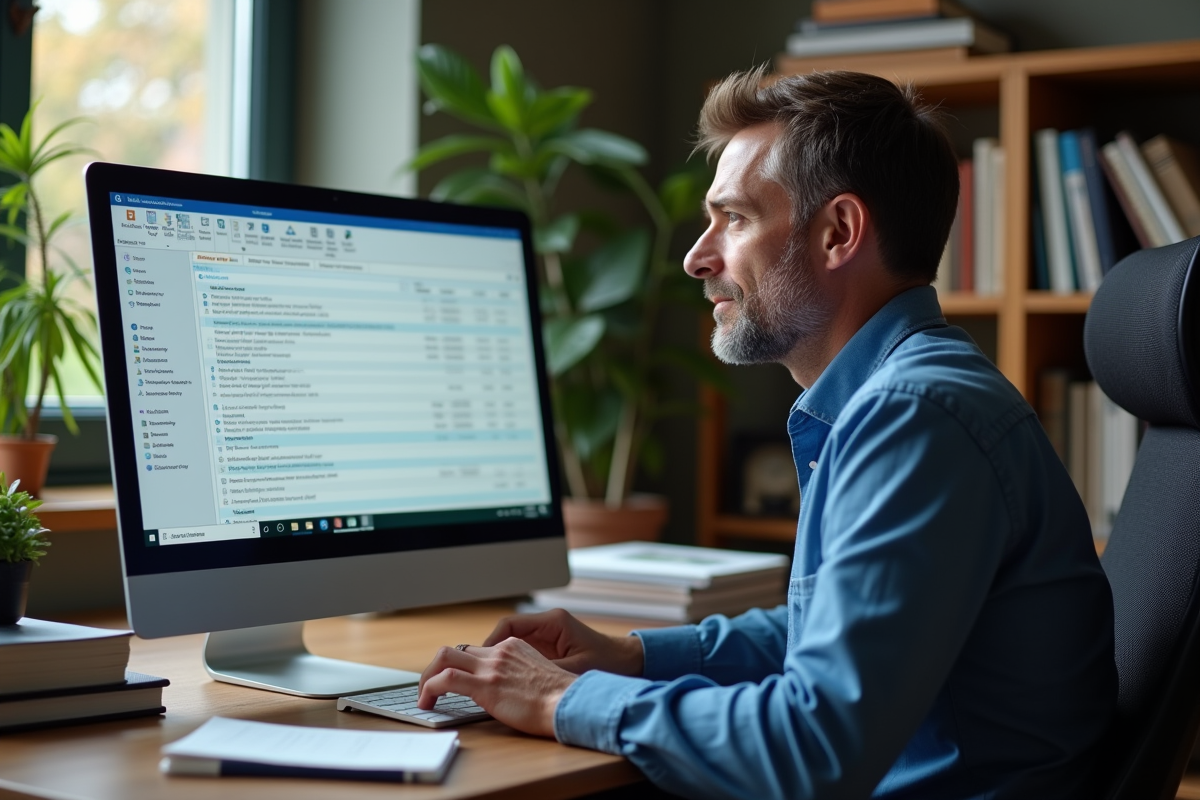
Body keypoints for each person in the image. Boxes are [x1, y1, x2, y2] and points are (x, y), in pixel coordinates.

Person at [416, 68, 1116, 799]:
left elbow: (814, 745)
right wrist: (632, 656)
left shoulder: (914, 416)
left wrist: (561, 697)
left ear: (838, 232)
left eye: (735, 218)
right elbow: (834, 637)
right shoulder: (902, 397)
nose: (697, 257)